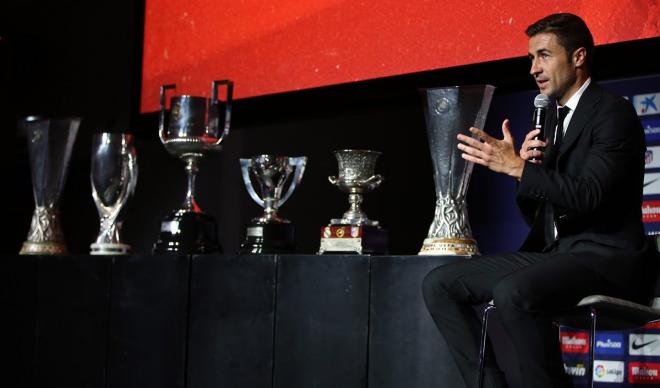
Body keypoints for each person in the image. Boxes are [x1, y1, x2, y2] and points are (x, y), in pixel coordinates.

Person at [422, 13, 654, 388]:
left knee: (514, 290)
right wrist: (525, 172)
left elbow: (590, 195)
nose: (534, 68)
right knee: (438, 284)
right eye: (531, 58)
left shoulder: (613, 113)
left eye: (544, 55)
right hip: (557, 253)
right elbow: (537, 216)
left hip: (607, 257)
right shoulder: (549, 122)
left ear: (578, 57)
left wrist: (520, 171)